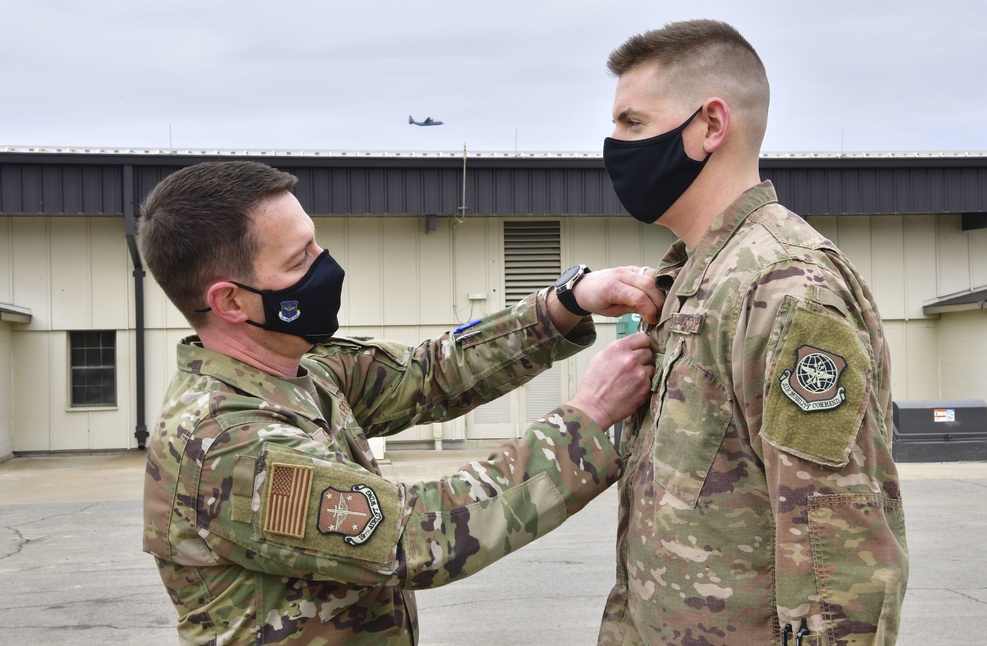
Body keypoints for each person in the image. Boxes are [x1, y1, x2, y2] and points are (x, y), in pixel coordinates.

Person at [139, 160, 663, 645]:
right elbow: (413, 535)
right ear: (229, 301)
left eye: (315, 244)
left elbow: (428, 374)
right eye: (299, 260)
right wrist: (587, 417)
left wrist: (566, 304)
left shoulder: (303, 371)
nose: (325, 265)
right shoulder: (226, 441)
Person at [597, 20, 908, 645]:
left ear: (711, 125)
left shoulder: (786, 286)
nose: (613, 144)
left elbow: (835, 556)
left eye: (632, 122)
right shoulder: (695, 276)